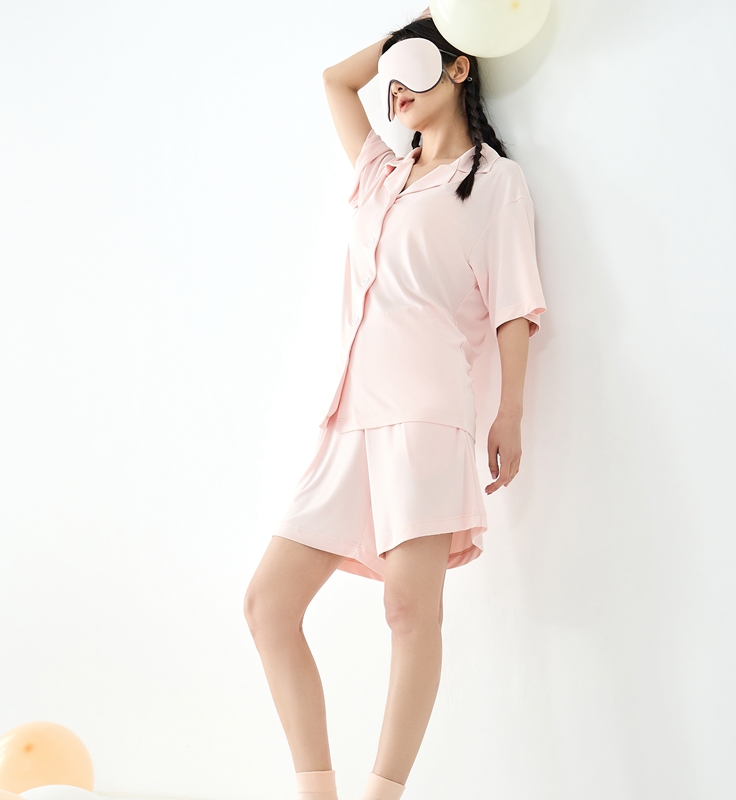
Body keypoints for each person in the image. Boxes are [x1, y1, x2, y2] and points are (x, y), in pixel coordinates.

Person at [243, 9, 546, 800]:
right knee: (269, 604)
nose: (394, 90)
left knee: (411, 613)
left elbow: (515, 306)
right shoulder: (380, 171)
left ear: (459, 69)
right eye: (393, 79)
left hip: (427, 413)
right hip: (348, 415)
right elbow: (334, 81)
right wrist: (411, 37)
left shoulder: (494, 182)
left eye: (416, 70)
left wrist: (510, 411)